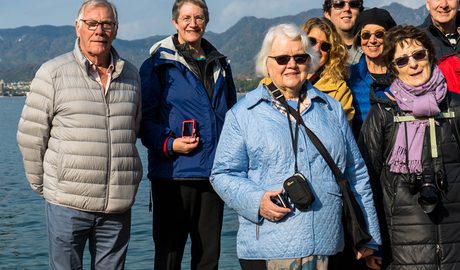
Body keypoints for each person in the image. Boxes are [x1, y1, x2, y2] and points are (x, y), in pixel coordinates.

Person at [210, 23, 380, 270]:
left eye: (299, 57)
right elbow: (222, 174)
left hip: (328, 244)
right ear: (266, 63)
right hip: (268, 246)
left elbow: (356, 174)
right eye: (281, 58)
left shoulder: (331, 109)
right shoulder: (242, 114)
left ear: (309, 61)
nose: (291, 65)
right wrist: (256, 201)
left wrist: (371, 236)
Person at [16, 0, 142, 269]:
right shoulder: (53, 73)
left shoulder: (131, 75)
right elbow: (30, 137)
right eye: (92, 23)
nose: (99, 30)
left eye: (107, 24)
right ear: (78, 27)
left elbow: (133, 129)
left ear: (116, 29)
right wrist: (48, 186)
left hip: (117, 208)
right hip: (68, 204)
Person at [138, 0, 237, 269]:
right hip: (173, 175)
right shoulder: (157, 65)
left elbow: (233, 118)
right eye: (186, 17)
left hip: (213, 176)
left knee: (208, 260)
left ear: (206, 21)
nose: (193, 23)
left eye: (199, 17)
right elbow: (143, 122)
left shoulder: (221, 64)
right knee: (169, 259)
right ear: (175, 22)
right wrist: (170, 144)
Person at [358, 25, 460, 269]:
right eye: (402, 60)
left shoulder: (455, 107)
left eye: (418, 55)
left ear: (430, 56)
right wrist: (373, 242)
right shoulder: (382, 114)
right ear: (393, 68)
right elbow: (366, 181)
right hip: (402, 249)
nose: (412, 64)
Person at [260, 17, 354, 124]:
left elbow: (341, 134)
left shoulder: (339, 90)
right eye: (312, 41)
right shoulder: (267, 84)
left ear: (332, 52)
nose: (317, 49)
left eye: (325, 46)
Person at [346, 7, 396, 138]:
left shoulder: (401, 74)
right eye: (366, 35)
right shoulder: (349, 76)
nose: (372, 40)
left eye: (379, 34)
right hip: (364, 151)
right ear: (359, 39)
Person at [323, 0, 364, 65]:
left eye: (353, 3)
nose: (347, 9)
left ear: (360, 12)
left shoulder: (373, 48)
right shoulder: (320, 49)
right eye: (339, 4)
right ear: (328, 14)